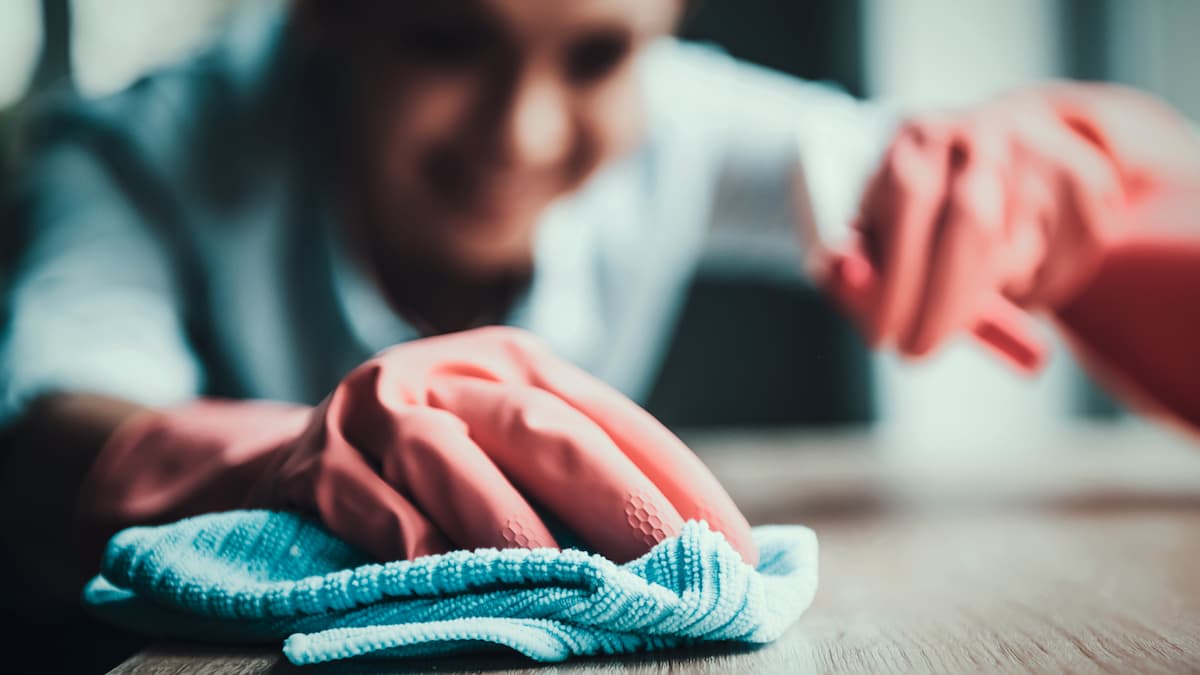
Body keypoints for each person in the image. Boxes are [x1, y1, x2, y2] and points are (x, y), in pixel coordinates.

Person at [1, 0, 1198, 608]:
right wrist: (293, 458)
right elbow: (45, 437)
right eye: (445, 40)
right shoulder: (138, 153)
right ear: (328, 14)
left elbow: (999, 205)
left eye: (599, 58)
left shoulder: (678, 118)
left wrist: (1058, 174)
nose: (522, 131)